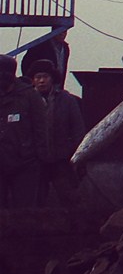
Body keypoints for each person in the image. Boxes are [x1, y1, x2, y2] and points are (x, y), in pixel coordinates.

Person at [29, 59, 85, 207]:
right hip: (36, 161)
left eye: (45, 76)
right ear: (32, 81)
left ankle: (76, 229)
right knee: (36, 201)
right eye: (38, 77)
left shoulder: (67, 100)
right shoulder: (26, 101)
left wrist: (73, 154)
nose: (42, 81)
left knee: (70, 199)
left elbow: (78, 128)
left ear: (52, 79)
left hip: (62, 159)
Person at [0, 53, 47, 209]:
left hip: (25, 165)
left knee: (24, 211)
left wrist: (39, 158)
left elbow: (41, 129)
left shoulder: (29, 96)